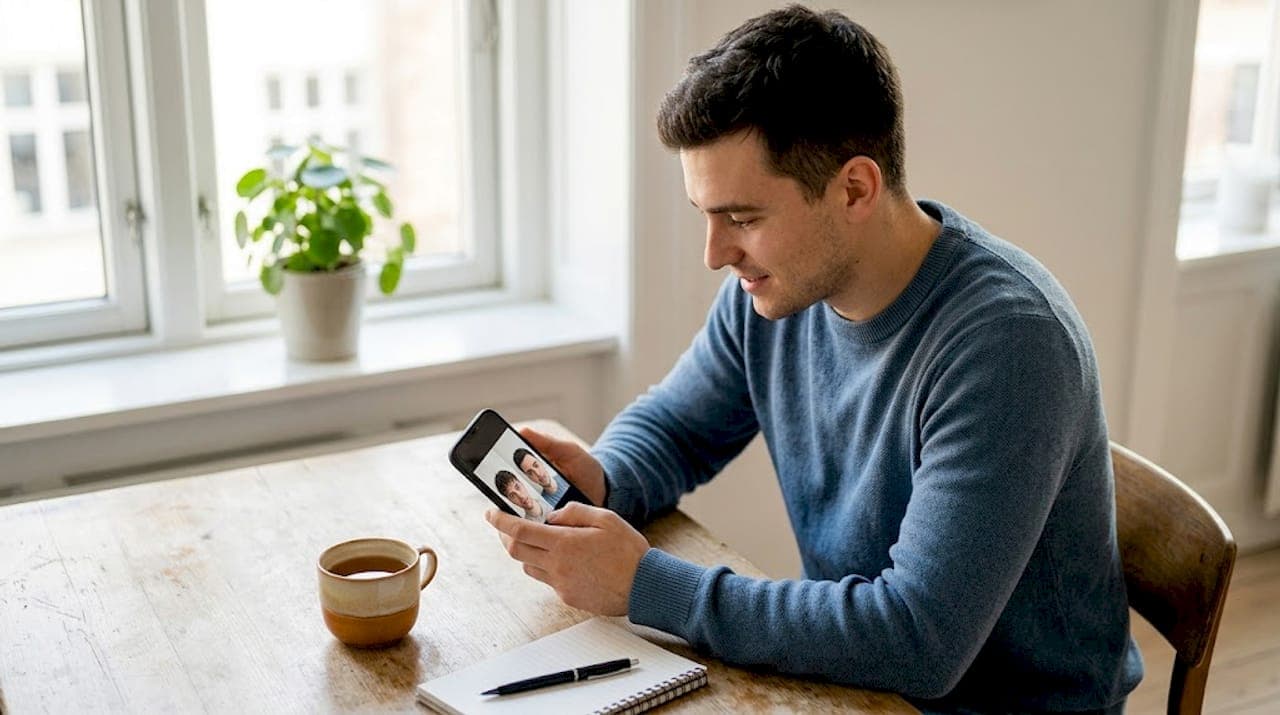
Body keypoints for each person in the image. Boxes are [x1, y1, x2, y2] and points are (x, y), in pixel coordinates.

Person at [484, 5, 1143, 712]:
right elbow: (678, 425)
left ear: (855, 188)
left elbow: (917, 639)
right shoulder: (774, 290)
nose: (716, 254)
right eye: (706, 216)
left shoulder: (1007, 345)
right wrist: (607, 476)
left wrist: (646, 583)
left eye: (742, 218)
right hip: (845, 686)